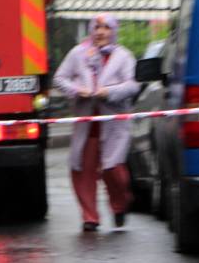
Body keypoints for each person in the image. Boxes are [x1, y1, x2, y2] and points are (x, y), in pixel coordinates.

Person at [53, 14, 139, 232]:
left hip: (114, 125)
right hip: (87, 126)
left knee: (114, 170)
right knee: (83, 171)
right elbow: (59, 79)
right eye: (97, 27)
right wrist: (76, 90)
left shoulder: (124, 56)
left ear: (114, 31)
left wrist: (109, 92)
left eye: (106, 28)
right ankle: (89, 217)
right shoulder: (78, 53)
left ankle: (120, 204)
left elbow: (132, 86)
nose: (101, 32)